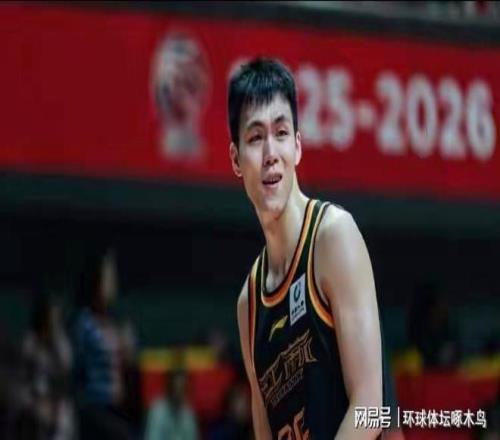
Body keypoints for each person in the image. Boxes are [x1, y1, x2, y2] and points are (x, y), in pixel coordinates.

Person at [228, 58, 389, 439]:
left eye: (281, 133)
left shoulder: (333, 237)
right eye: (255, 137)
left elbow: (371, 405)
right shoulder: (248, 304)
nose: (270, 153)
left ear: (297, 147)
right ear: (235, 159)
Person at [74, 248, 137, 440]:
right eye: (109, 276)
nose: (113, 282)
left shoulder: (114, 322)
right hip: (94, 410)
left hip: (117, 408)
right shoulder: (84, 323)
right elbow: (76, 368)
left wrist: (128, 347)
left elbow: (126, 364)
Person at [144, 369, 199, 440]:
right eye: (177, 388)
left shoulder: (188, 412)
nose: (179, 393)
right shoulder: (158, 410)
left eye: (183, 388)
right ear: (170, 387)